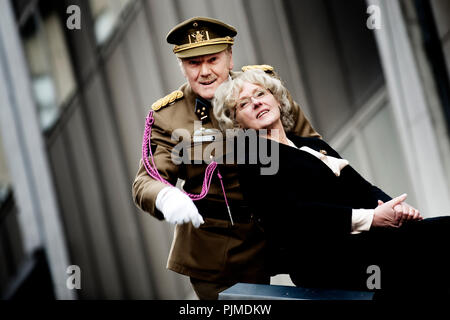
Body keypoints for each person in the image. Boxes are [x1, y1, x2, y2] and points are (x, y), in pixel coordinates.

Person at [212, 69, 450, 299]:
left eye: (260, 94)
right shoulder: (254, 161)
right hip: (328, 264)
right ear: (237, 123)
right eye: (243, 104)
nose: (256, 103)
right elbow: (296, 216)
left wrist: (395, 208)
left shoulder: (311, 145)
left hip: (366, 247)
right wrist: (371, 218)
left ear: (275, 98)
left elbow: (363, 188)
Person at [132, 17, 320, 300]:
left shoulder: (262, 89)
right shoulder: (168, 116)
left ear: (229, 58)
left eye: (213, 60)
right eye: (194, 63)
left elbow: (316, 149)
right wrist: (165, 197)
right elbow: (147, 180)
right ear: (182, 67)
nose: (205, 71)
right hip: (220, 245)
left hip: (290, 226)